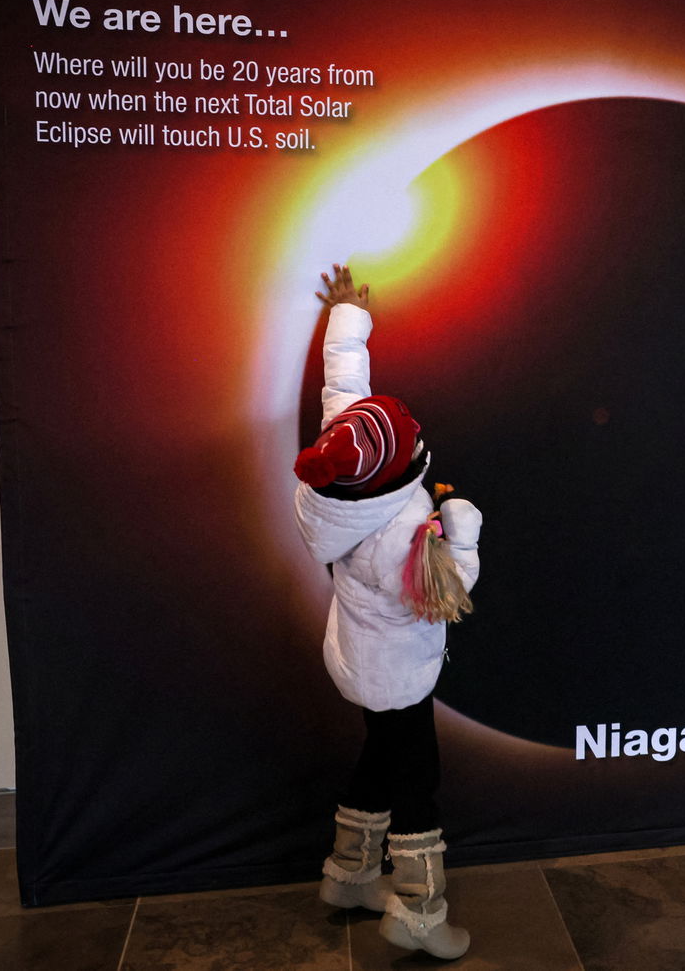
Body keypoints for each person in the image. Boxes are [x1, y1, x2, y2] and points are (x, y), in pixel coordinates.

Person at [292, 264, 481, 960]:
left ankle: (348, 877)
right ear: (405, 466)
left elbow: (345, 385)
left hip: (356, 658)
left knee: (379, 752)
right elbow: (443, 596)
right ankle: (421, 913)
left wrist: (346, 315)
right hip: (399, 672)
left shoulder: (341, 464)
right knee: (415, 779)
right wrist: (463, 530)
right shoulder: (398, 533)